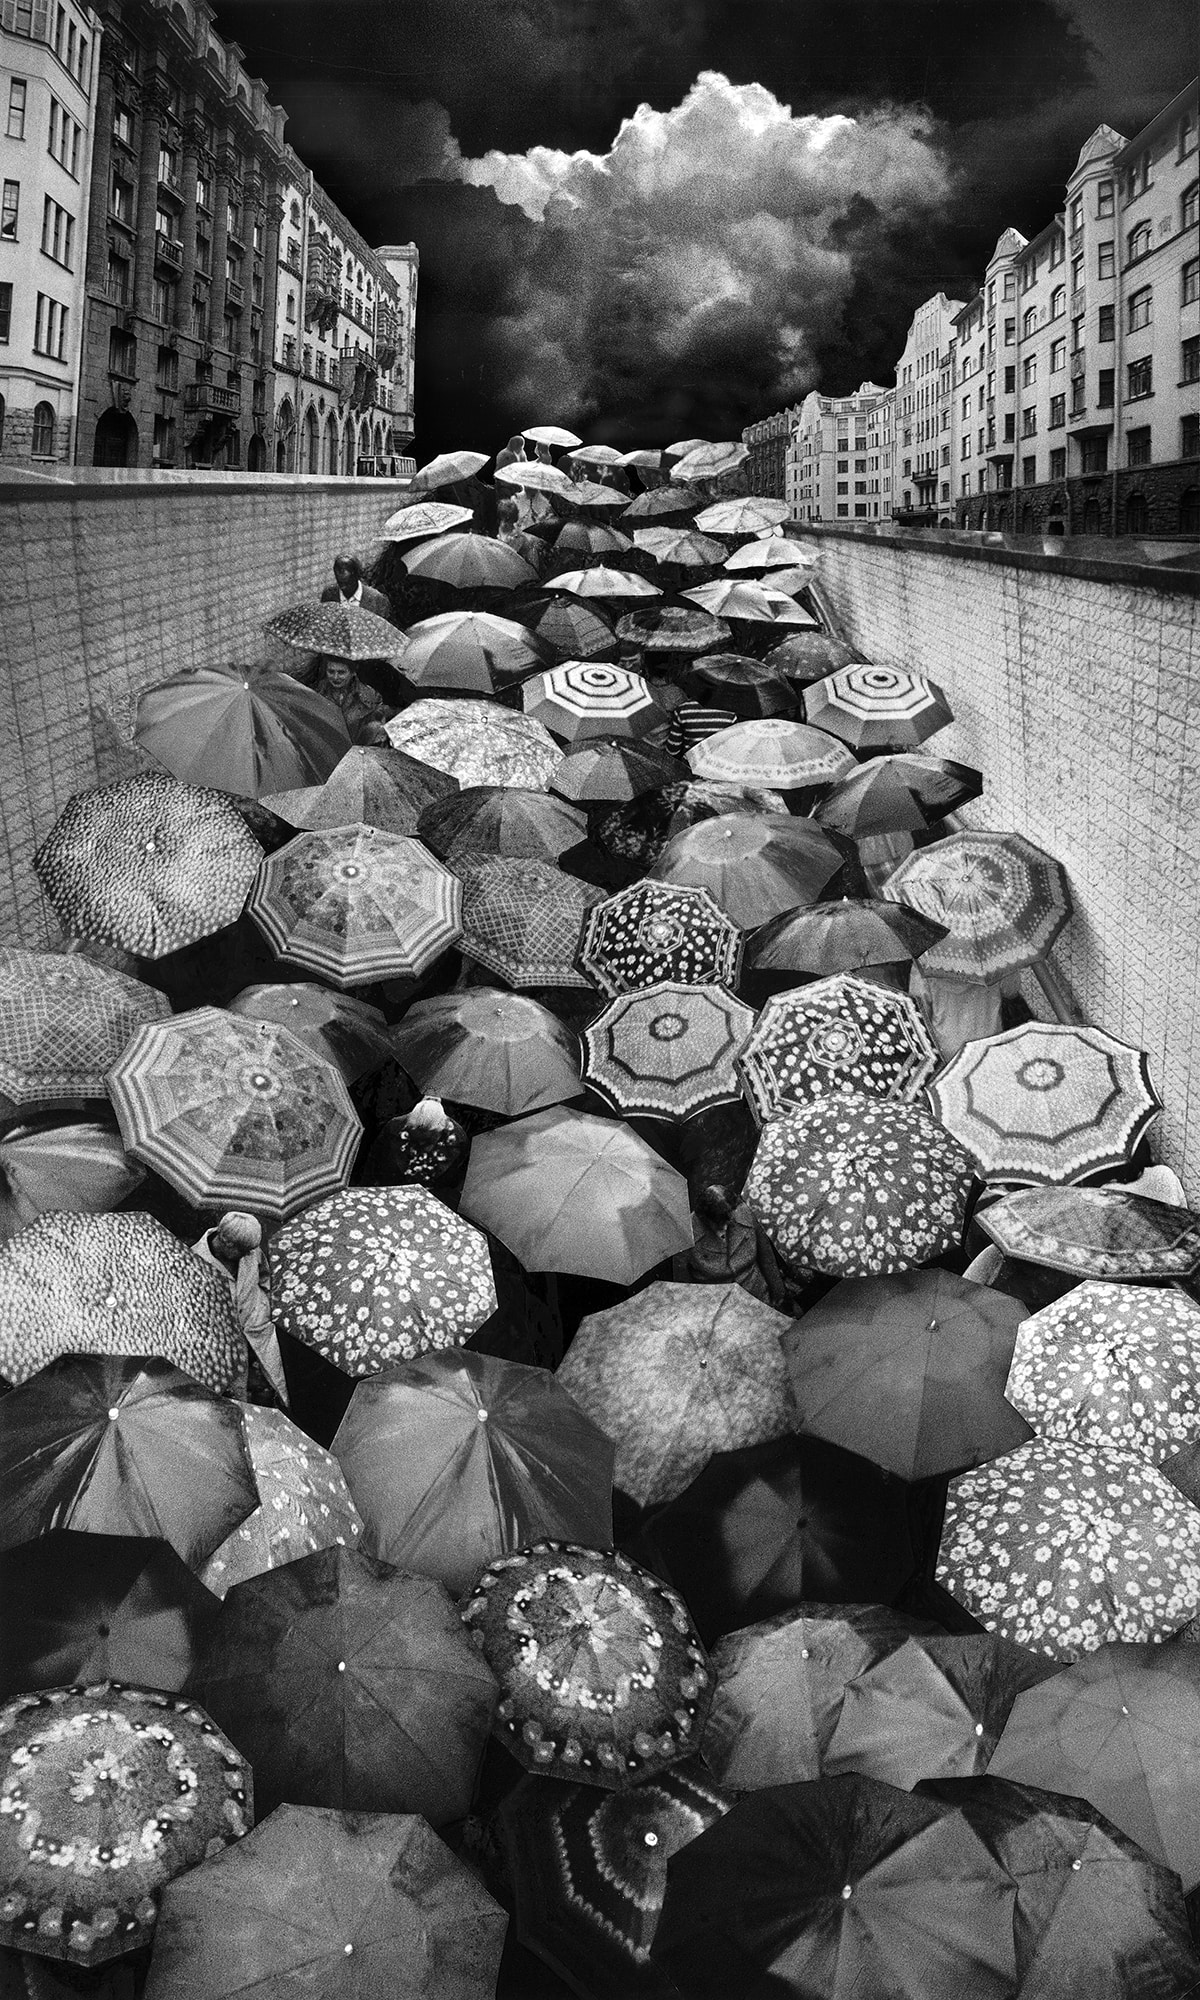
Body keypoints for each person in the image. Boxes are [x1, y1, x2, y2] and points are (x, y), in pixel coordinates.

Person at [191, 1210, 288, 1407]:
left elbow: (264, 1274)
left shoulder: (249, 1249)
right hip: (226, 1343)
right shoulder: (193, 1263)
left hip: (258, 1326)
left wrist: (267, 1303)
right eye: (243, 1250)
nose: (249, 1254)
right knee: (237, 1395)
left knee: (273, 1384)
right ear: (226, 1241)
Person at [313, 656, 389, 744]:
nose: (335, 677)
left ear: (353, 672)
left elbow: (376, 729)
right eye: (331, 671)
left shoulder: (370, 696)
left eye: (341, 672)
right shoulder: (317, 692)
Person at [321, 552, 393, 621]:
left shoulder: (377, 600)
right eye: (338, 571)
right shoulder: (329, 594)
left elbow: (383, 626)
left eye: (347, 582)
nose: (340, 576)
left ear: (356, 575)